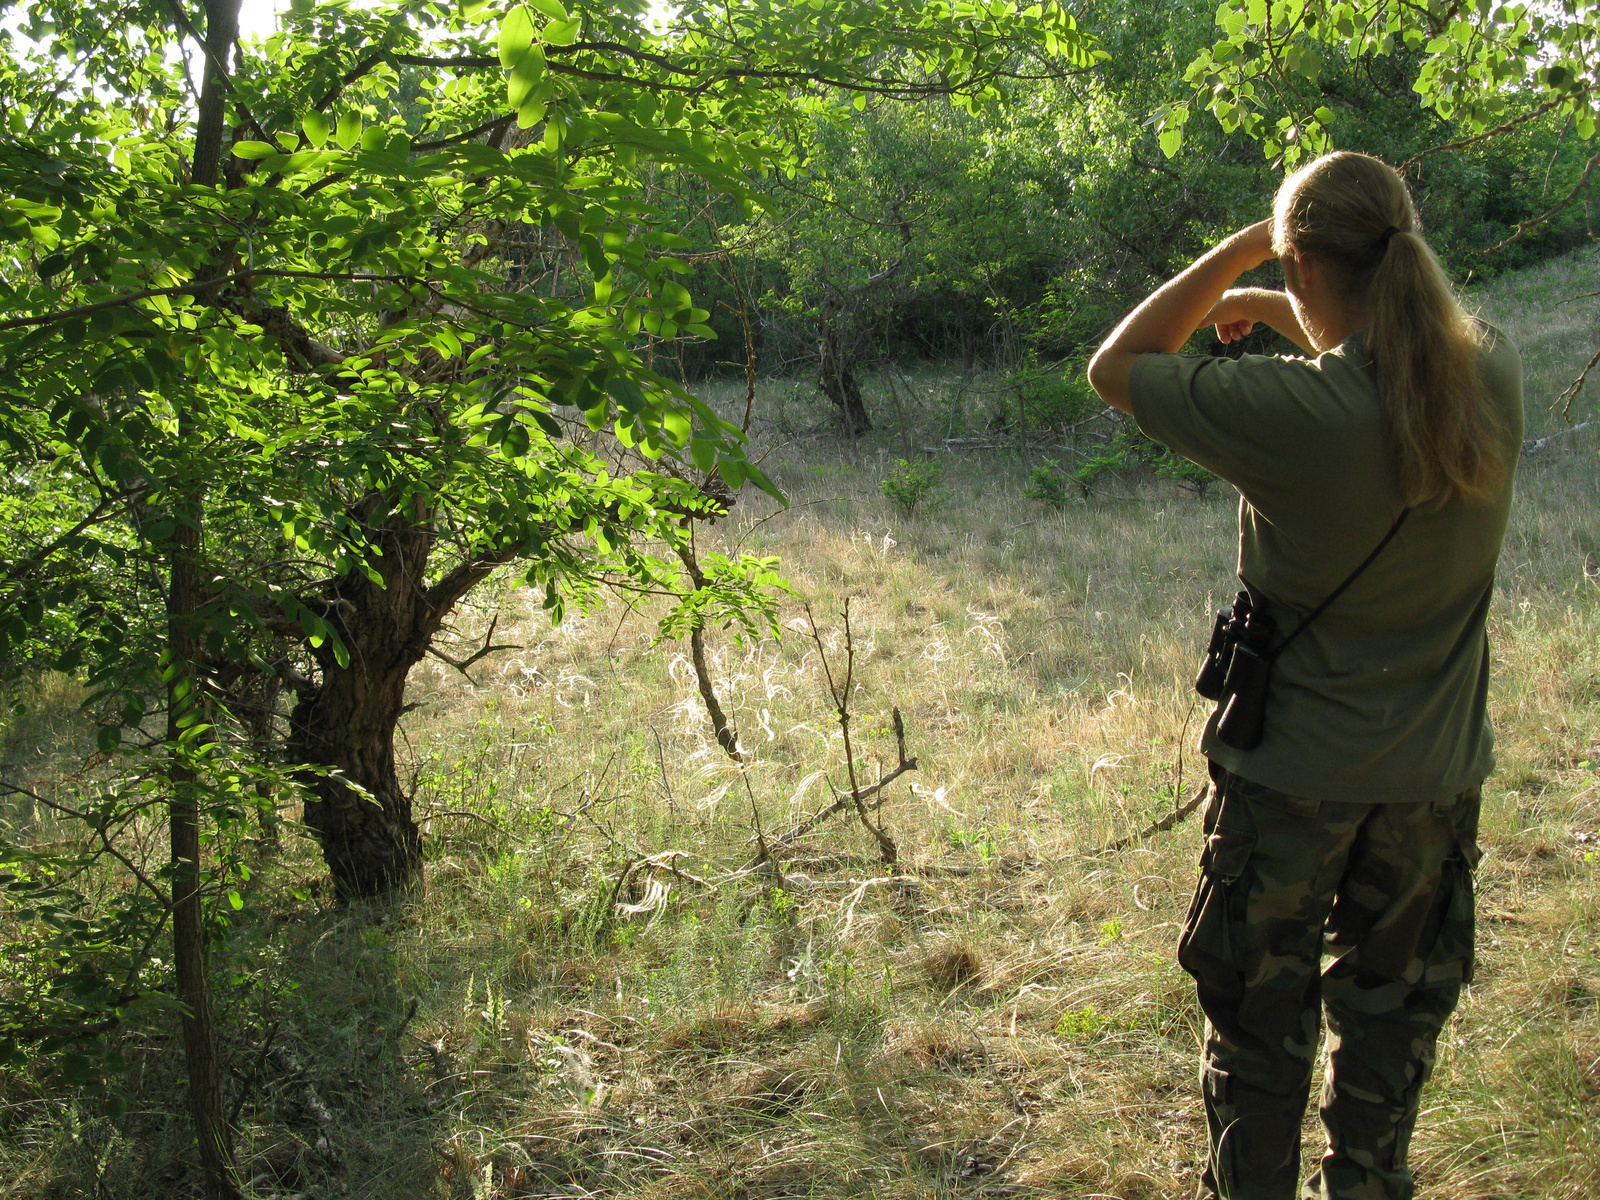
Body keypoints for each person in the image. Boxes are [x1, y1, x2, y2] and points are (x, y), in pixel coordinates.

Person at [1085, 151, 1523, 1200]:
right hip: (1431, 786)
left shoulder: (1299, 419)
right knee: (1387, 1039)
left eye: (1290, 271)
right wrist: (1278, 301)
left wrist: (1240, 259)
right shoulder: (1490, 377)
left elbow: (1118, 364)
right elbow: (1396, 340)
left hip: (1291, 788)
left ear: (1302, 262)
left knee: (1259, 1042)